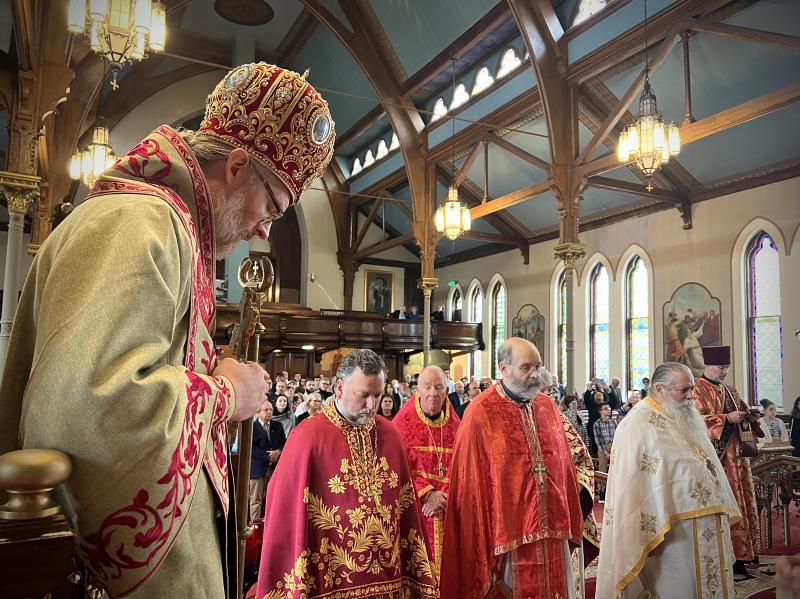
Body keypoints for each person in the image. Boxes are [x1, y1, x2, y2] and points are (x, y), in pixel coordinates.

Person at [0, 61, 337, 597]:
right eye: (272, 205)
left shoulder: (165, 224)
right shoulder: (140, 225)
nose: (265, 230)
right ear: (237, 165)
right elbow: (95, 406)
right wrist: (228, 393)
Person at [256, 349, 437, 597]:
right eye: (363, 395)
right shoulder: (307, 437)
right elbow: (284, 514)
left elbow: (406, 508)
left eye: (378, 395)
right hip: (330, 582)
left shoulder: (390, 434)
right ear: (339, 388)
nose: (372, 405)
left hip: (389, 580)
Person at [440, 338, 594, 598]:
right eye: (527, 367)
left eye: (538, 366)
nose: (535, 374)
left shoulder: (547, 407)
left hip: (553, 531)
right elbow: (471, 484)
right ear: (504, 368)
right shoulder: (480, 412)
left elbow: (565, 464)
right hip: (508, 538)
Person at [596, 362, 740, 598]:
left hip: (706, 526)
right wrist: (641, 535)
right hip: (670, 536)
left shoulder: (684, 416)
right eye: (684, 390)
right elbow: (630, 485)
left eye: (692, 389)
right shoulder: (637, 424)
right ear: (660, 389)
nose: (691, 396)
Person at [693, 345, 760, 579]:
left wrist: (750, 415)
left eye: (727, 368)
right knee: (726, 506)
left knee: (742, 504)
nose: (724, 372)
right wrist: (725, 418)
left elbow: (742, 412)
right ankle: (728, 560)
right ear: (708, 365)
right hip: (719, 462)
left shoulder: (730, 390)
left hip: (738, 461)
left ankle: (744, 556)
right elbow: (694, 422)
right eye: (722, 367)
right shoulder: (696, 390)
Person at [393, 366, 461, 579]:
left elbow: (466, 468)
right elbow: (396, 468)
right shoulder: (401, 426)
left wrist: (445, 496)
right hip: (417, 513)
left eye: (439, 387)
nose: (433, 393)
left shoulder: (458, 427)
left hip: (450, 512)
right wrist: (427, 494)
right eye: (427, 387)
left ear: (447, 391)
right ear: (418, 391)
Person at [250, 401, 286, 521]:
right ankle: (254, 525)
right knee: (256, 498)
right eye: (266, 410)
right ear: (258, 411)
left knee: (274, 497)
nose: (269, 412)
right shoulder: (252, 427)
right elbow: (251, 448)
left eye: (271, 410)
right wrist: (268, 456)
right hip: (257, 468)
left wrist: (278, 452)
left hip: (274, 468)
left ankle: (272, 522)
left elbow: (284, 443)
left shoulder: (278, 426)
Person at [593, 403, 616, 478]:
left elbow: (617, 437)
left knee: (615, 466)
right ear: (600, 411)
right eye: (606, 408)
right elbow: (597, 440)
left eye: (609, 408)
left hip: (613, 445)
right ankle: (601, 487)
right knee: (602, 467)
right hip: (603, 447)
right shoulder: (597, 424)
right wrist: (604, 452)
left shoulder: (613, 422)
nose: (608, 410)